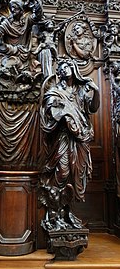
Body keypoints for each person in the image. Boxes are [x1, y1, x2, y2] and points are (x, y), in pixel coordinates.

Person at [40, 58, 100, 202]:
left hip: (80, 138)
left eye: (68, 66)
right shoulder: (55, 92)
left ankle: (67, 211)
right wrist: (65, 115)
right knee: (63, 171)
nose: (65, 69)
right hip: (63, 137)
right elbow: (50, 109)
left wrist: (96, 91)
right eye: (62, 68)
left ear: (74, 70)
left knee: (77, 174)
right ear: (59, 73)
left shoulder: (79, 91)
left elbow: (93, 108)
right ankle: (54, 210)